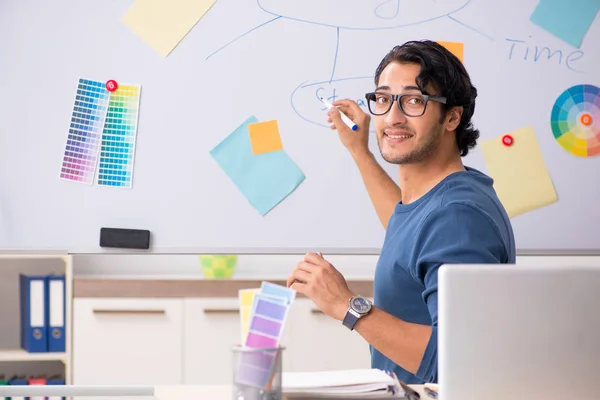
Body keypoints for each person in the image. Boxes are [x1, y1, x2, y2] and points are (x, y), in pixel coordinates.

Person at [286, 40, 516, 384]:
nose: (392, 118)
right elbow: (406, 228)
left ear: (452, 116)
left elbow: (458, 359)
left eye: (413, 101)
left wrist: (347, 306)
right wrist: (360, 152)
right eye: (383, 99)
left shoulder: (457, 217)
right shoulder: (443, 198)